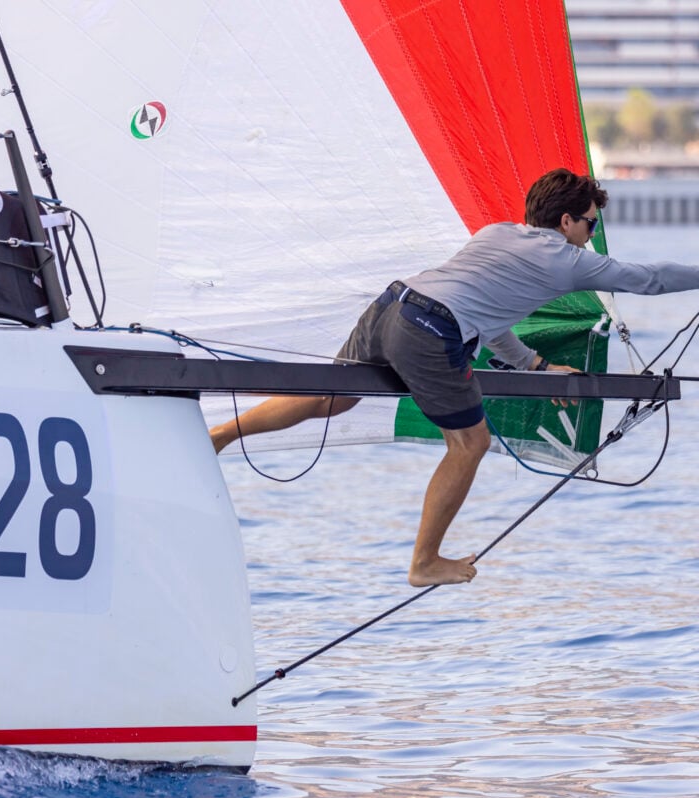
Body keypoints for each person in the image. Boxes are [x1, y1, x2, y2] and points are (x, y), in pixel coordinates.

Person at [210, 168, 699, 588]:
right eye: (590, 224)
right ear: (566, 221)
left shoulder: (495, 233)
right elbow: (650, 278)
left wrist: (536, 365)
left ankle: (222, 435)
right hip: (430, 330)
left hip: (391, 306)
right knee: (469, 444)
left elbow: (489, 319)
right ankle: (424, 562)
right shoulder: (566, 259)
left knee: (332, 400)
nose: (591, 235)